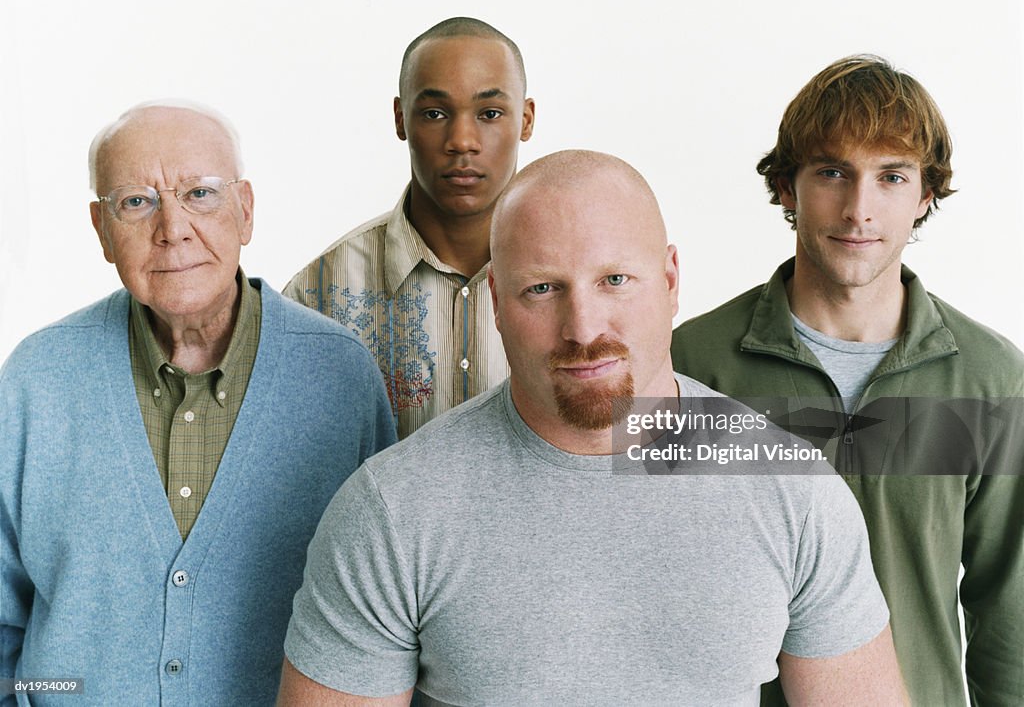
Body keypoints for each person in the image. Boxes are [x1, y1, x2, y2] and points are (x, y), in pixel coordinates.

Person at [277, 150, 906, 706]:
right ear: (496, 298)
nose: (583, 328)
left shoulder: (790, 490)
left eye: (615, 281)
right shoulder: (393, 511)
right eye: (543, 289)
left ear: (669, 280)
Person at [0, 102, 396, 705]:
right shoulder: (37, 380)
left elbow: (387, 617)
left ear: (246, 210)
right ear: (101, 229)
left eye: (200, 195)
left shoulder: (338, 376)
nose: (173, 228)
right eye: (136, 202)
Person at [671, 55, 1024, 705]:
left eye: (891, 176)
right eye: (833, 172)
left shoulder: (991, 377)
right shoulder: (691, 362)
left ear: (925, 195)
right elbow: (649, 582)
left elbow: (1011, 616)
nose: (859, 208)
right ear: (786, 186)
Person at [284, 16, 536, 439]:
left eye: (489, 113)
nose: (461, 140)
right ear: (401, 119)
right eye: (435, 113)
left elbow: (660, 454)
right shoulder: (318, 294)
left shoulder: (595, 282)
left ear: (526, 120)